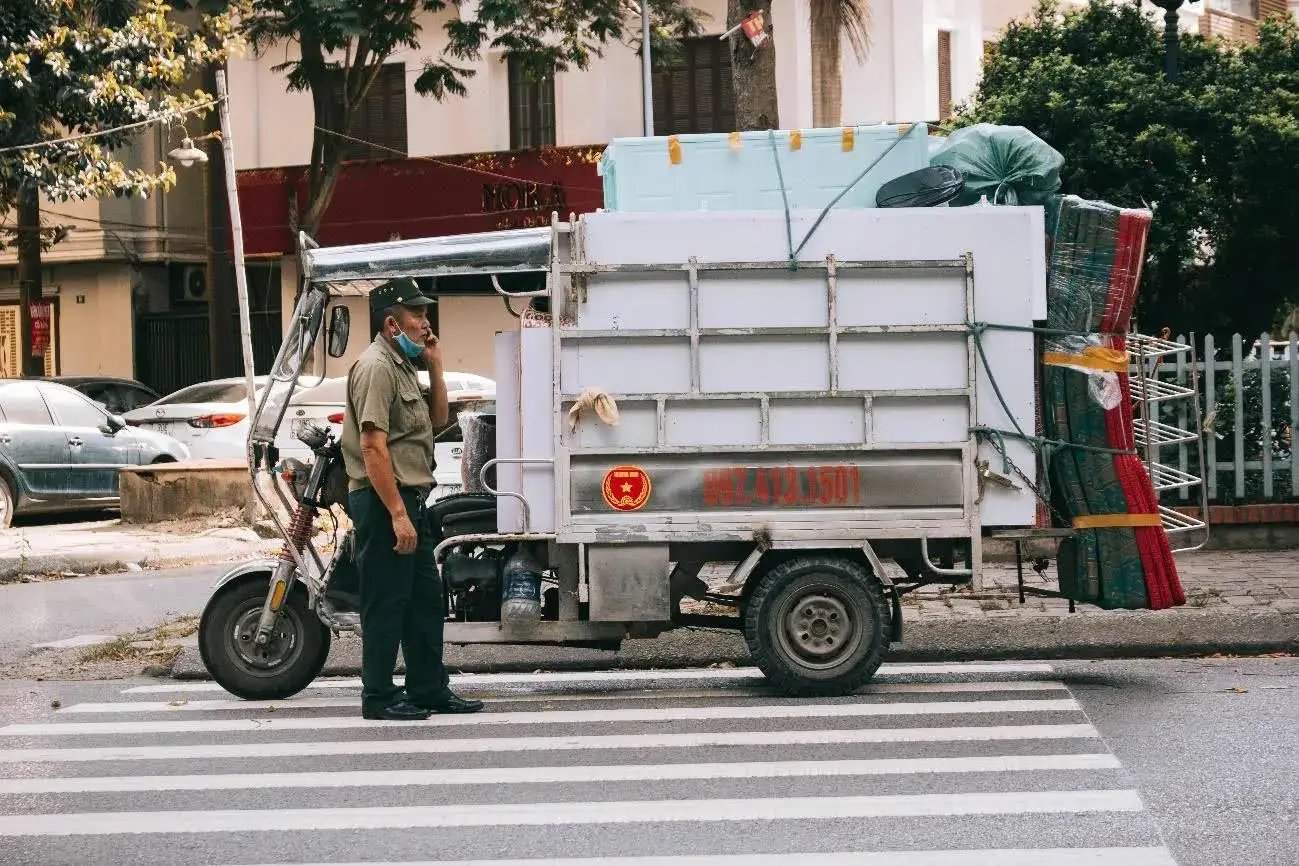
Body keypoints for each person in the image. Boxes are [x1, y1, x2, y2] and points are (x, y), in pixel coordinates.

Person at [340, 277, 484, 721]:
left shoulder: (402, 365)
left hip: (410, 501)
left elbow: (440, 418)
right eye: (417, 315)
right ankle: (378, 696)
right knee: (386, 600)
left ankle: (427, 688)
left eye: (425, 314)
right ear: (391, 323)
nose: (426, 323)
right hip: (386, 502)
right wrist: (398, 515)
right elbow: (371, 447)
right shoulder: (376, 367)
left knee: (424, 599)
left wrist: (436, 365)